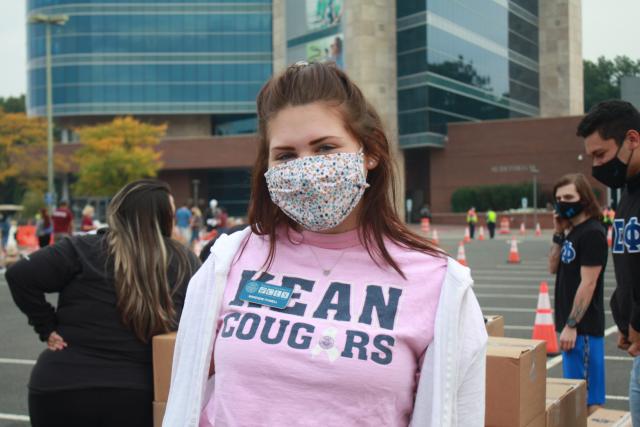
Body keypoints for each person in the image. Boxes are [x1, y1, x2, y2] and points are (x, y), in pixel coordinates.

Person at [163, 62, 487, 426]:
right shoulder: (229, 260)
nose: (306, 170)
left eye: (325, 148)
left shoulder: (440, 284)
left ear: (370, 152)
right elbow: (188, 393)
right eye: (286, 155)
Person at [5, 180, 200, 427]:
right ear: (164, 217)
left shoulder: (83, 248)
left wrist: (46, 327)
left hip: (60, 385)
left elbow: (19, 274)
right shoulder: (183, 261)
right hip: (135, 393)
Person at [577, 100, 640, 424]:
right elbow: (630, 263)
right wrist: (624, 315)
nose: (596, 166)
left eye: (600, 154)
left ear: (632, 139)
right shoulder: (627, 195)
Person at [548, 173, 607, 414]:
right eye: (559, 198)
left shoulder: (592, 232)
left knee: (589, 399)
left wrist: (572, 324)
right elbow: (553, 267)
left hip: (583, 330)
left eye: (569, 197)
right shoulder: (572, 232)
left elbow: (589, 283)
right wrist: (558, 233)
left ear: (583, 198)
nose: (563, 202)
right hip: (570, 328)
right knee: (575, 396)